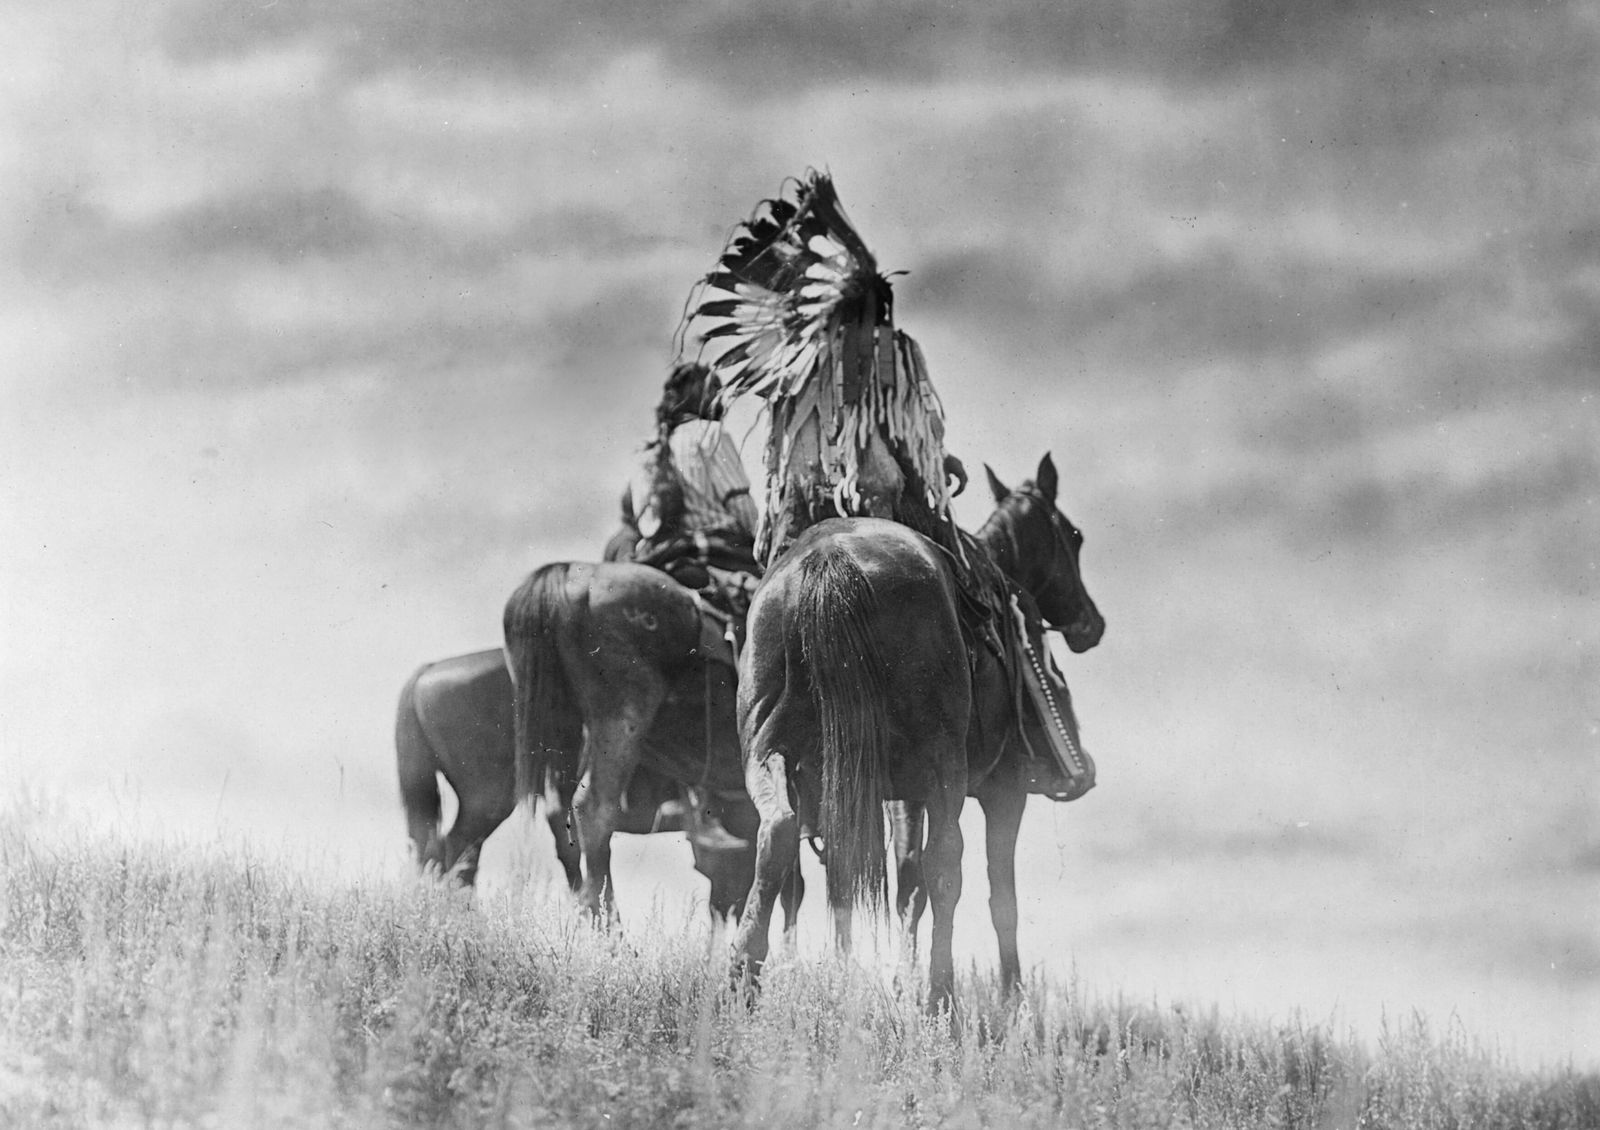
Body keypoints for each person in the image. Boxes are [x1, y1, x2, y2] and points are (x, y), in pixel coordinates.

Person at [684, 170, 1087, 801]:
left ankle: (762, 756)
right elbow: (913, 449)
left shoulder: (798, 366)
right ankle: (1049, 751)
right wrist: (942, 470)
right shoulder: (896, 354)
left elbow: (779, 463)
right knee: (1001, 606)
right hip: (897, 515)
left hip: (799, 523)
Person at [625, 360, 764, 850]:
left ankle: (671, 792)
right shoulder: (710, 435)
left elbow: (645, 525)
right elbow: (742, 508)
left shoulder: (647, 454)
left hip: (661, 566)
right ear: (707, 400)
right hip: (719, 557)